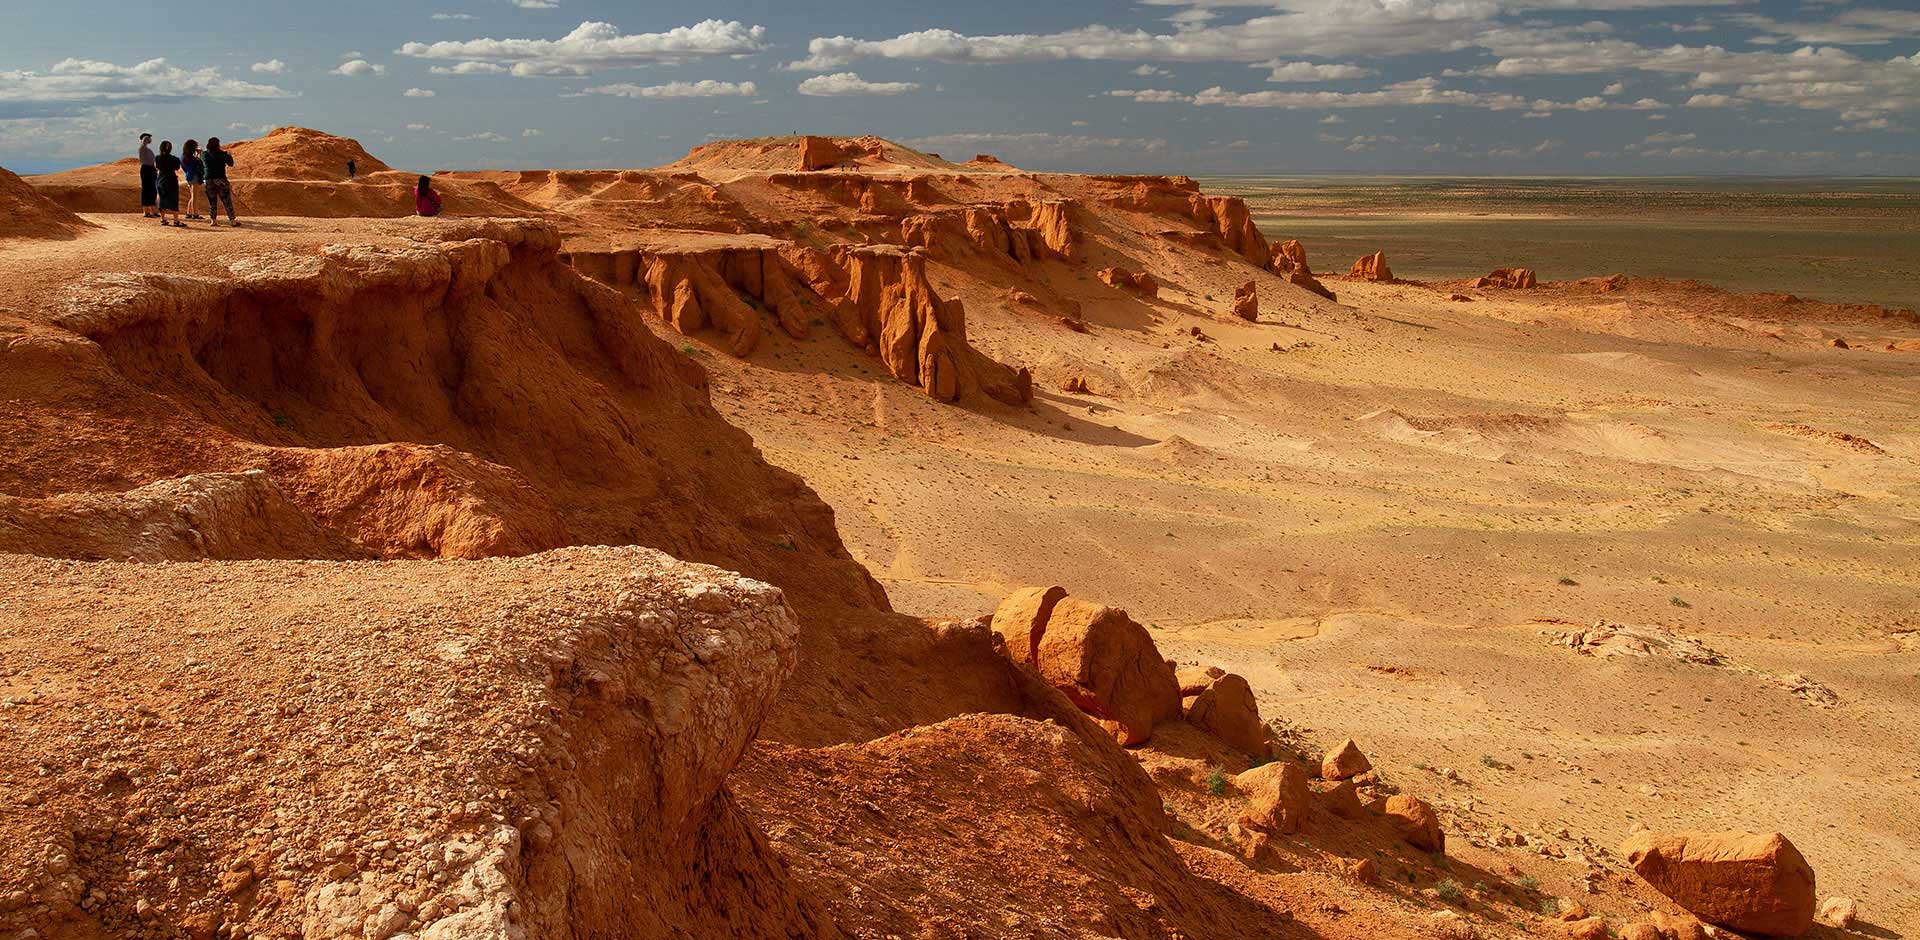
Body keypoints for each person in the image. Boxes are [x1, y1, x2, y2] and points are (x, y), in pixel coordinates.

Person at [202, 136, 237, 226]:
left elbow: (202, 160)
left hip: (208, 179)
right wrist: (229, 155)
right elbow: (231, 163)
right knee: (226, 201)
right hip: (220, 179)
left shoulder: (205, 154)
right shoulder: (223, 154)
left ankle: (213, 220)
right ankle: (232, 220)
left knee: (212, 201)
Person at [154, 140, 185, 227]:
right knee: (173, 199)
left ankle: (163, 219)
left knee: (162, 198)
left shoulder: (157, 158)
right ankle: (176, 220)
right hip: (171, 179)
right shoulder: (175, 159)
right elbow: (177, 168)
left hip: (161, 179)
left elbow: (157, 166)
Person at [181, 140, 204, 220]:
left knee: (192, 195)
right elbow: (199, 163)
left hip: (188, 177)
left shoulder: (183, 156)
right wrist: (199, 154)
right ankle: (195, 214)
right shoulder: (192, 158)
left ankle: (189, 212)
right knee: (195, 196)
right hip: (195, 177)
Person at [137, 133, 157, 218]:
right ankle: (146, 211)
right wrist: (146, 138)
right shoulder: (142, 148)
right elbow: (143, 142)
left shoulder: (147, 149)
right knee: (146, 190)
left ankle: (153, 211)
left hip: (151, 169)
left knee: (152, 190)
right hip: (146, 169)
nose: (150, 140)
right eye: (149, 138)